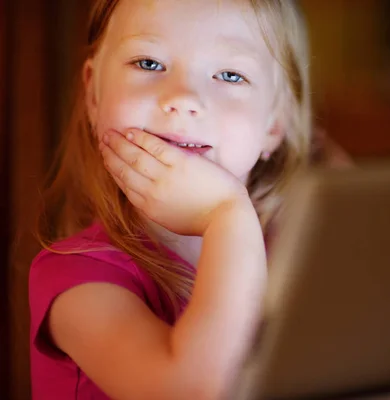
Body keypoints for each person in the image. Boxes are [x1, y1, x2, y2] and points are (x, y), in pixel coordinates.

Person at [29, 0, 316, 399]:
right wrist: (226, 216)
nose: (183, 98)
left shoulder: (294, 258)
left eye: (230, 75)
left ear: (274, 124)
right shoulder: (76, 278)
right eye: (148, 63)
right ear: (93, 97)